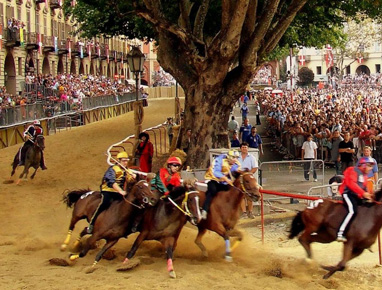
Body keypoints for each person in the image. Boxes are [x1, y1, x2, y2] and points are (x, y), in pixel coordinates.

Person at [87, 151, 136, 234]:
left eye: (126, 160)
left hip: (120, 192)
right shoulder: (112, 169)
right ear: (118, 161)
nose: (125, 162)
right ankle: (92, 223)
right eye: (123, 160)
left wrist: (133, 177)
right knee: (105, 203)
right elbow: (111, 182)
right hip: (108, 190)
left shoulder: (126, 170)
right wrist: (120, 191)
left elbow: (129, 181)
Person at [336, 156, 374, 242]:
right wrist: (363, 193)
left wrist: (369, 195)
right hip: (347, 193)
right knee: (352, 211)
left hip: (357, 195)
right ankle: (340, 232)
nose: (370, 168)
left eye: (371, 166)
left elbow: (364, 188)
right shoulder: (353, 170)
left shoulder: (364, 176)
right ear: (363, 165)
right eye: (369, 166)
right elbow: (351, 184)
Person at [201, 150, 241, 219]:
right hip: (214, 179)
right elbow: (215, 172)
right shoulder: (219, 160)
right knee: (212, 191)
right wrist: (225, 178)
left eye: (236, 158)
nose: (235, 160)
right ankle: (205, 210)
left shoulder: (236, 164)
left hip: (225, 183)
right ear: (229, 157)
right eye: (233, 158)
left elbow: (235, 173)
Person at [238, 142, 258, 219]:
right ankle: (244, 212)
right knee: (242, 196)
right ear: (240, 148)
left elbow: (255, 167)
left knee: (250, 195)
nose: (244, 149)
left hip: (249, 178)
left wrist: (249, 174)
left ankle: (250, 212)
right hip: (240, 177)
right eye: (243, 147)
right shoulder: (237, 158)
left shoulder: (252, 157)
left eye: (245, 147)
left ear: (248, 148)